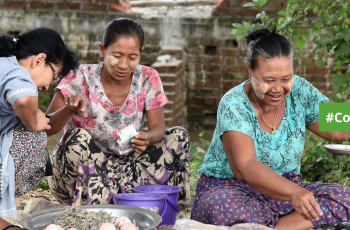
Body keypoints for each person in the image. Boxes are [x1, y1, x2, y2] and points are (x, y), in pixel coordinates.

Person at [190, 27, 350, 230]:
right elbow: (245, 166)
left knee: (347, 198)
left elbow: (341, 126)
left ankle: (273, 228)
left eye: (286, 79)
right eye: (268, 80)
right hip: (232, 190)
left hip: (284, 193)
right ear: (250, 69)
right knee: (223, 208)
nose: (278, 89)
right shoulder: (233, 104)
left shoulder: (300, 91)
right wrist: (294, 193)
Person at [45, 18, 190, 206]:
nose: (123, 65)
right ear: (102, 50)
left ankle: (158, 201)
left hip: (129, 166)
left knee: (178, 136)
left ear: (140, 54)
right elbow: (46, 128)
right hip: (88, 169)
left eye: (132, 58)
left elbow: (158, 127)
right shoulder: (79, 77)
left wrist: (147, 137)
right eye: (116, 55)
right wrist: (69, 109)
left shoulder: (148, 77)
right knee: (76, 138)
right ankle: (90, 206)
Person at [0, 29, 80, 230]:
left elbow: (47, 123)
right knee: (33, 136)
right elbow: (25, 99)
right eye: (54, 76)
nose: (47, 87)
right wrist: (33, 123)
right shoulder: (17, 73)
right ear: (39, 60)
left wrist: (69, 109)